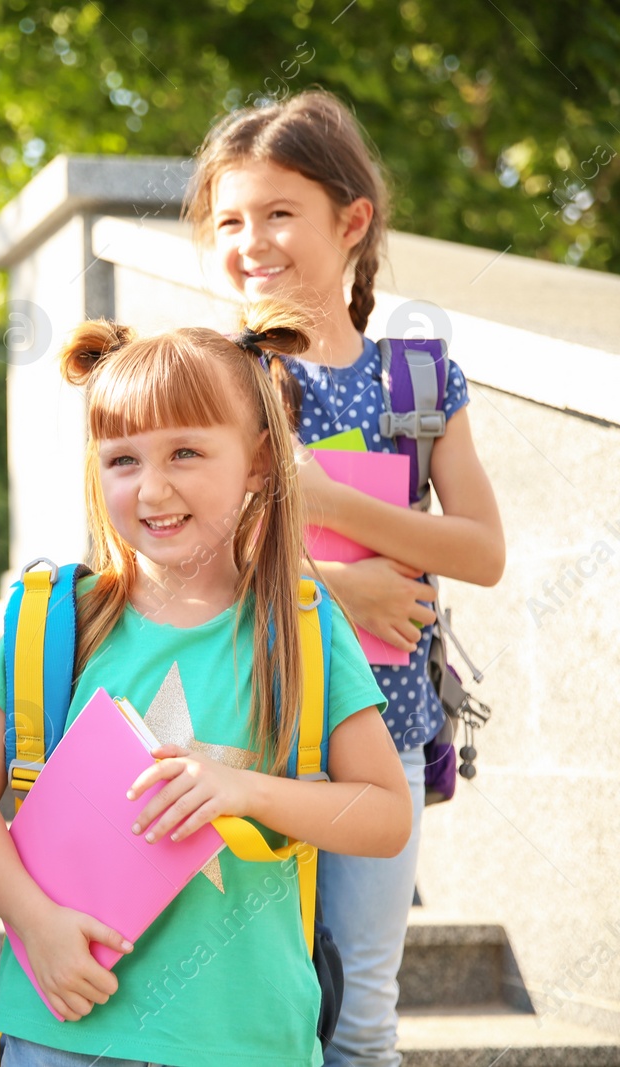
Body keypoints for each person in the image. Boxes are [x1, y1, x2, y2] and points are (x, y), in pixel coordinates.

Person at [0, 302, 414, 1066]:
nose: (152, 489)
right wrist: (32, 920)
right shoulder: (51, 621)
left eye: (186, 452)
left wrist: (246, 791)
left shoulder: (303, 627)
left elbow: (387, 814)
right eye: (123, 459)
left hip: (245, 1039)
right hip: (65, 1027)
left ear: (261, 460)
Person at [185, 90, 506, 1067]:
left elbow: (482, 550)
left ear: (351, 219)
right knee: (248, 1011)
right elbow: (180, 554)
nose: (252, 241)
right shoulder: (211, 373)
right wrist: (338, 584)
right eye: (230, 220)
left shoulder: (416, 378)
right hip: (246, 729)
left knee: (362, 1013)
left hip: (384, 736)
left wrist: (320, 502)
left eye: (278, 213)